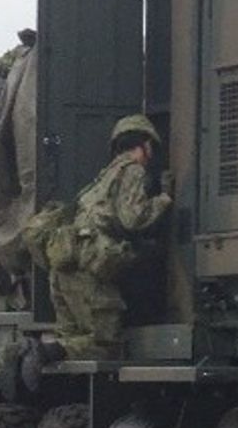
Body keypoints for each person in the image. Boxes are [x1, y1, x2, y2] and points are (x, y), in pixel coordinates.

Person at [42, 114, 172, 362]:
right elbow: (132, 218)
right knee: (105, 345)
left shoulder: (105, 175)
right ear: (146, 144)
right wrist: (164, 198)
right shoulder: (133, 170)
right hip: (91, 266)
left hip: (64, 265)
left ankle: (31, 353)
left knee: (71, 338)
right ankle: (41, 352)